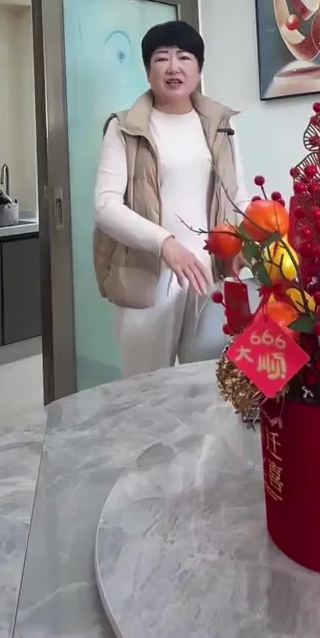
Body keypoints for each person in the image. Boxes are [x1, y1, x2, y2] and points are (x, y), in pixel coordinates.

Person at [94, 20, 248, 377]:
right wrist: (165, 243)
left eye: (185, 57)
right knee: (145, 388)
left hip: (209, 274)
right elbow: (105, 206)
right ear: (147, 70)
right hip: (149, 276)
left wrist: (248, 244)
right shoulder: (124, 127)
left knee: (210, 382)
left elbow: (238, 195)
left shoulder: (221, 125)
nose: (173, 67)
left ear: (199, 69)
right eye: (162, 58)